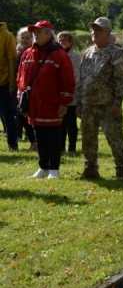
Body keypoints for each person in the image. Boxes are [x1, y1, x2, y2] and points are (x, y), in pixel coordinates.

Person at [18, 21, 75, 179]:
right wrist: (21, 99)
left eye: (39, 32)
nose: (35, 35)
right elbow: (21, 79)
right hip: (33, 104)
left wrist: (64, 102)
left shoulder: (59, 54)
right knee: (38, 137)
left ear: (49, 35)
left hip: (52, 103)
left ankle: (54, 170)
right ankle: (43, 167)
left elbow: (68, 80)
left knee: (52, 138)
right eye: (34, 32)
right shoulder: (27, 53)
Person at [76, 17, 123, 180]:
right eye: (93, 30)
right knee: (88, 139)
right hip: (88, 105)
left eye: (98, 30)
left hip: (108, 105)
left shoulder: (115, 53)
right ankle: (90, 169)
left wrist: (117, 102)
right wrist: (79, 103)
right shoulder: (87, 53)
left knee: (115, 139)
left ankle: (121, 171)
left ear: (108, 33)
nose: (94, 33)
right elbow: (82, 79)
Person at [57, 31, 81, 153]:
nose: (61, 43)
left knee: (71, 123)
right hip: (58, 93)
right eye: (59, 40)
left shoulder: (75, 56)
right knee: (60, 123)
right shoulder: (55, 55)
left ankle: (72, 147)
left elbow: (76, 74)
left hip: (71, 94)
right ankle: (61, 147)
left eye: (64, 41)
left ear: (70, 42)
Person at [16, 28, 35, 150]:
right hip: (20, 89)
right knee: (21, 115)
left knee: (30, 116)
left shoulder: (34, 52)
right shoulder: (19, 53)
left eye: (27, 37)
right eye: (22, 37)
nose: (25, 40)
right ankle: (34, 141)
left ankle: (35, 142)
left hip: (32, 89)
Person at [0, 21, 18, 152]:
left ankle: (12, 144)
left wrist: (12, 84)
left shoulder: (7, 35)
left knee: (7, 115)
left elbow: (12, 60)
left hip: (4, 82)